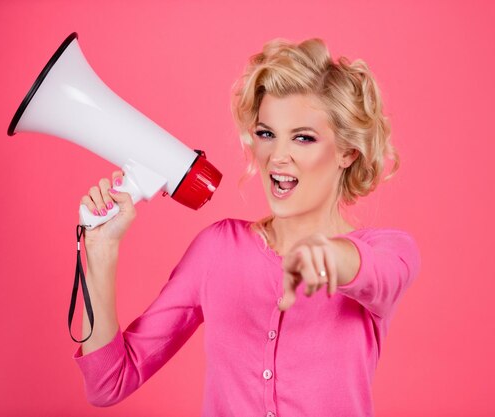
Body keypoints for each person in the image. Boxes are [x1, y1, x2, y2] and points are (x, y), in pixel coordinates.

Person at [73, 37, 421, 417]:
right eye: (266, 133)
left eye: (303, 137)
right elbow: (109, 383)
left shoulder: (389, 250)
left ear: (346, 152)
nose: (277, 157)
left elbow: (379, 276)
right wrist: (101, 252)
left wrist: (331, 254)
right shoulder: (218, 249)